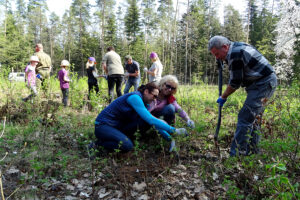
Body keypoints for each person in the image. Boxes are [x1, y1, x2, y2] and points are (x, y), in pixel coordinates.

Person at [208, 35, 277, 156]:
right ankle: (253, 153)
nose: (217, 58)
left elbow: (235, 82)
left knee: (245, 117)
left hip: (263, 84)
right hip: (260, 84)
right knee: (253, 119)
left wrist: (223, 97)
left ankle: (236, 155)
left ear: (225, 46)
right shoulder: (236, 47)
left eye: (217, 54)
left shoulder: (235, 54)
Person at [90, 82, 188, 155]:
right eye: (153, 96)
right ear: (146, 91)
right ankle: (97, 144)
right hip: (103, 126)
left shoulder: (145, 104)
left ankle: (120, 138)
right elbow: (150, 119)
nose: (155, 99)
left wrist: (171, 139)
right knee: (127, 146)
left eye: (156, 97)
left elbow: (153, 123)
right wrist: (174, 130)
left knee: (144, 122)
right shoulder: (135, 97)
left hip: (118, 126)